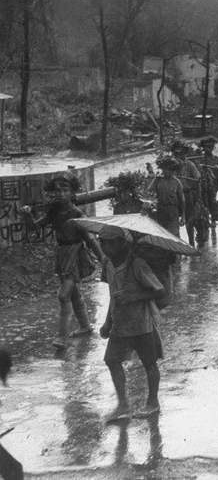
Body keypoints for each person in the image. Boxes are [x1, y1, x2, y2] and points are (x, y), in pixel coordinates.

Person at [20, 172, 103, 349]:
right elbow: (34, 227)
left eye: (65, 190)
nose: (61, 194)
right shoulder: (54, 212)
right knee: (74, 294)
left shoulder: (77, 214)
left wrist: (103, 259)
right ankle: (85, 326)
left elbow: (90, 239)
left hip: (75, 254)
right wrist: (27, 214)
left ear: (72, 193)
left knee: (63, 295)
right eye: (57, 191)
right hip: (62, 253)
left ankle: (62, 337)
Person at [98, 225, 166, 422]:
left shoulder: (138, 264)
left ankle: (153, 402)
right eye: (102, 243)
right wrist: (107, 323)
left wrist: (134, 296)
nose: (105, 247)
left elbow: (159, 291)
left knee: (149, 363)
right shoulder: (108, 263)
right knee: (111, 360)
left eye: (110, 243)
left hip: (142, 323)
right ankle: (123, 404)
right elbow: (113, 295)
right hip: (120, 322)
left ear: (121, 244)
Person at [171, 141, 202, 247]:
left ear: (185, 154)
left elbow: (197, 178)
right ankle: (175, 244)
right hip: (174, 195)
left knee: (189, 219)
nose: (179, 156)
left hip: (187, 193)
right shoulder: (171, 164)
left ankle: (191, 243)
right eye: (177, 154)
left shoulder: (189, 164)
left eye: (182, 153)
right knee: (173, 219)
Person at [146, 156, 186, 237]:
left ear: (172, 170)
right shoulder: (157, 181)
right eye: (164, 169)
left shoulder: (177, 182)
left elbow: (182, 201)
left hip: (173, 212)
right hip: (161, 211)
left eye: (168, 169)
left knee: (175, 235)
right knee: (163, 235)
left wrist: (183, 217)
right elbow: (149, 194)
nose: (166, 171)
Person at [199, 136, 218, 227]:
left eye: (210, 147)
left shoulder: (217, 159)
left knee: (212, 201)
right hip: (201, 184)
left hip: (213, 185)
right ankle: (204, 219)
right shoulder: (199, 158)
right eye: (207, 147)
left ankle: (213, 220)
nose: (208, 149)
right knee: (202, 202)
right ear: (204, 148)